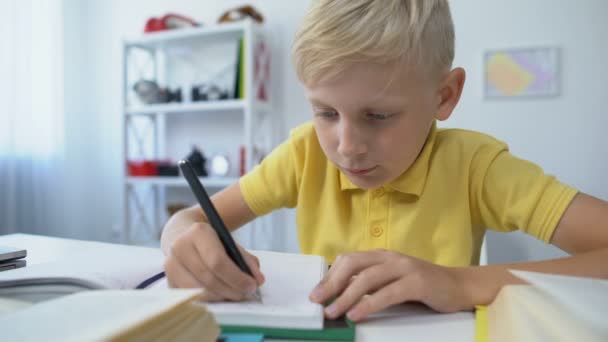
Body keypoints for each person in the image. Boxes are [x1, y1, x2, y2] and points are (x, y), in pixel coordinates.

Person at [161, 0, 608, 322]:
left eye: (378, 116)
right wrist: (178, 234)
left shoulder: (476, 166)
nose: (347, 146)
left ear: (444, 95)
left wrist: (460, 283)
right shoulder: (303, 155)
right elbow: (190, 220)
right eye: (325, 112)